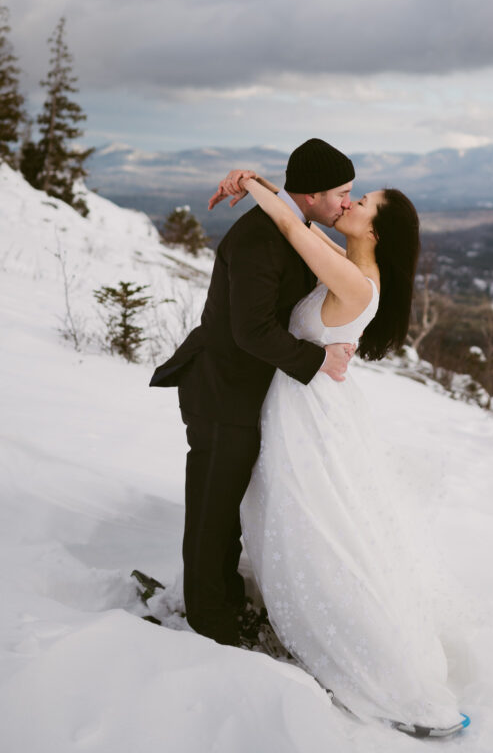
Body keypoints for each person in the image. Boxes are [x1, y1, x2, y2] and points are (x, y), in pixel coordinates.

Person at [213, 168, 469, 738]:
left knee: (320, 525)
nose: (351, 202)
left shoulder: (357, 278)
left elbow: (287, 220)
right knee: (312, 519)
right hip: (306, 401)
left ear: (377, 232)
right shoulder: (350, 261)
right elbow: (296, 229)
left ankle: (380, 665)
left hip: (309, 414)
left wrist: (248, 179)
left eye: (365, 203)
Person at [149, 139, 357, 648]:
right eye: (341, 193)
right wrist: (318, 360)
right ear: (310, 195)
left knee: (226, 511)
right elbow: (251, 331)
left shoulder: (292, 224)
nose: (348, 203)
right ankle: (210, 622)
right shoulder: (258, 241)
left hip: (246, 393)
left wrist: (251, 179)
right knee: (212, 514)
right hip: (221, 390)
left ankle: (222, 602)